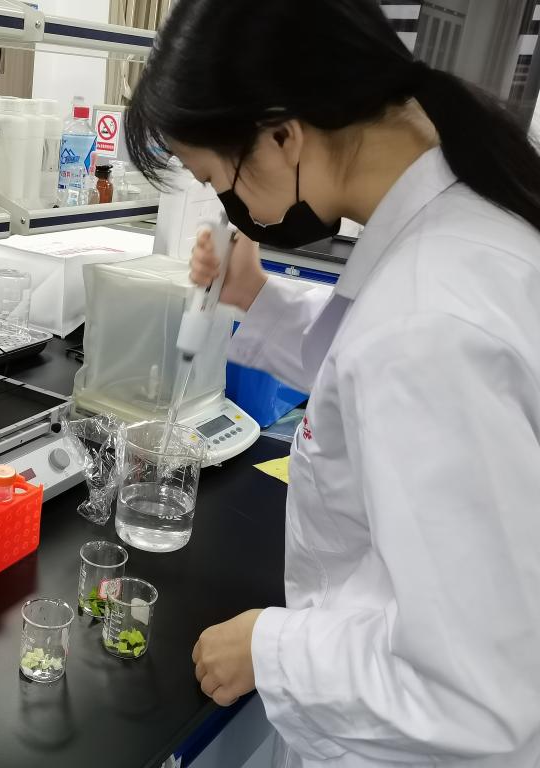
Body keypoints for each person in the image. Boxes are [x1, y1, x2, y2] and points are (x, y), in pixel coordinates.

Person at [125, 0, 540, 765]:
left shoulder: (429, 320)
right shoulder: (463, 228)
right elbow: (377, 375)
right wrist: (257, 297)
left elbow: (473, 691)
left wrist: (272, 648)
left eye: (216, 178)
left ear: (282, 135)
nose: (229, 208)